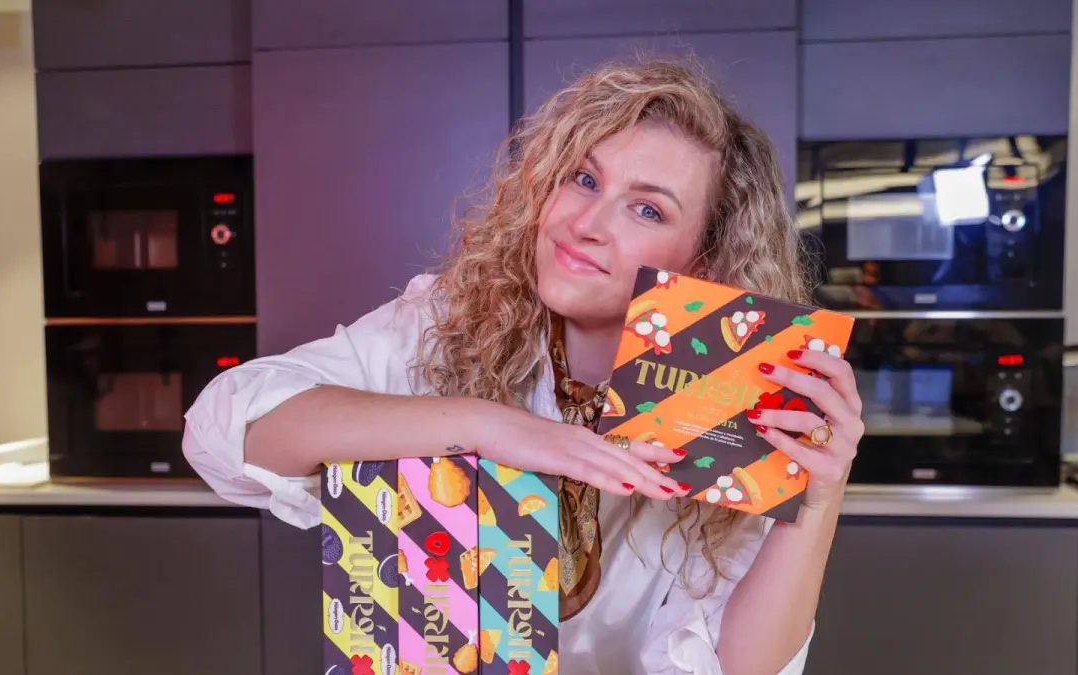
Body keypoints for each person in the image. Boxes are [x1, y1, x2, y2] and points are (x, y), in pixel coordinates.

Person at [182, 55, 865, 675]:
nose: (586, 222)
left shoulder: (729, 400)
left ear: (704, 259)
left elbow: (740, 666)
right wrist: (489, 426)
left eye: (646, 209)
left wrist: (818, 499)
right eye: (583, 179)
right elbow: (224, 428)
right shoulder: (448, 319)